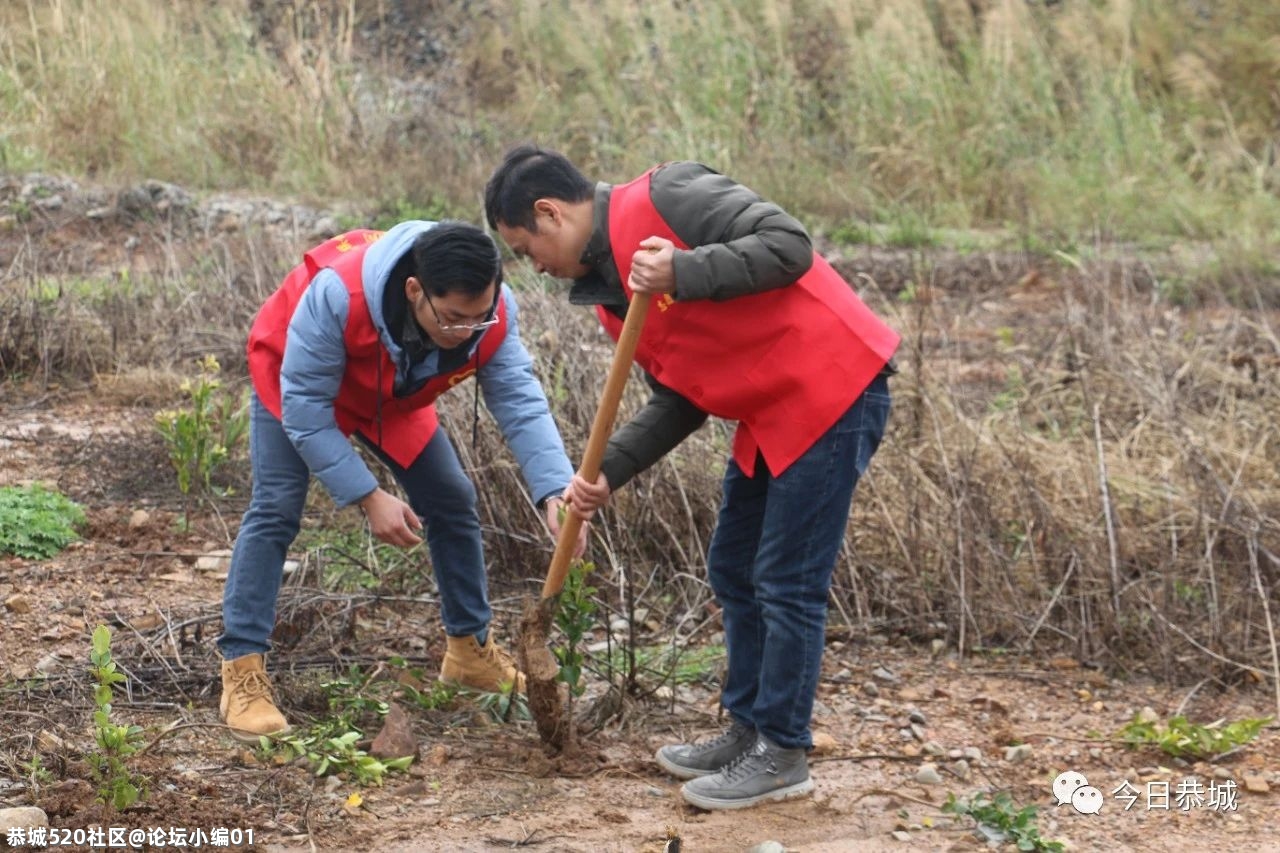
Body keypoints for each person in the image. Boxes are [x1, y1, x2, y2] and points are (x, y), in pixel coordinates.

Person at [484, 146, 900, 810]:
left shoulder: (670, 195)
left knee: (787, 581)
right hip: (769, 409)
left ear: (549, 213)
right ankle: (747, 731)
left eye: (525, 246)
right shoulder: (615, 299)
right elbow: (681, 398)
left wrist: (684, 267)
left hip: (833, 386)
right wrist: (605, 474)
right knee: (734, 567)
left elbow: (788, 244)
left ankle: (783, 751)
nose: (532, 265)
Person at [219, 219, 586, 742]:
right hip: (297, 378)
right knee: (277, 508)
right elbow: (304, 411)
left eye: (479, 320)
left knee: (451, 497)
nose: (468, 333)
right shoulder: (336, 296)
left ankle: (469, 653)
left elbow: (520, 402)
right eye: (455, 319)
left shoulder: (490, 316)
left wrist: (555, 489)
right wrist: (368, 496)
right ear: (415, 290)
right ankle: (242, 670)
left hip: (388, 389)